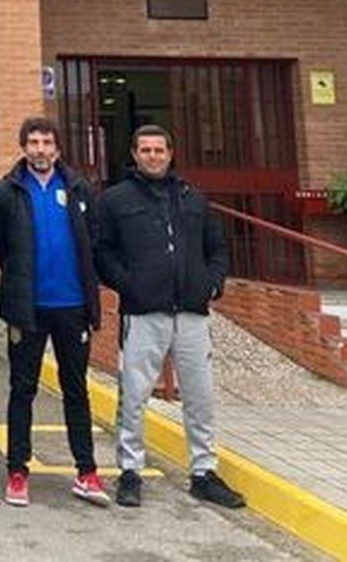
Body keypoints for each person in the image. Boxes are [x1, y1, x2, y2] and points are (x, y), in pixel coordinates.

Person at [95, 124, 245, 510]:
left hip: (192, 314)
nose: (153, 156)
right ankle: (130, 471)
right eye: (145, 150)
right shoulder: (115, 200)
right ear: (134, 154)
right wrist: (128, 285)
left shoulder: (193, 198)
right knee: (134, 394)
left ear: (170, 153)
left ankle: (204, 472)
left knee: (200, 396)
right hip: (144, 313)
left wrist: (212, 284)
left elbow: (216, 247)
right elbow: (103, 252)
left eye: (159, 150)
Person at [0, 116, 109, 508]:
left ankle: (86, 471)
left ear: (57, 149)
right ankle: (18, 471)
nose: (40, 149)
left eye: (47, 142)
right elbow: (2, 247)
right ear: (23, 147)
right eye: (33, 142)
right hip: (29, 308)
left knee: (76, 389)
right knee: (23, 389)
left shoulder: (78, 188)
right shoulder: (5, 192)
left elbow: (92, 241)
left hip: (72, 306)